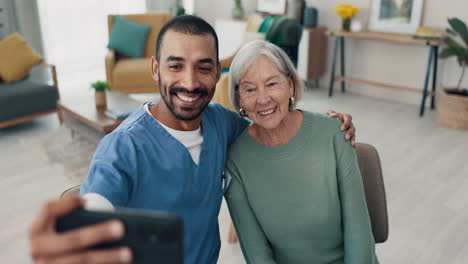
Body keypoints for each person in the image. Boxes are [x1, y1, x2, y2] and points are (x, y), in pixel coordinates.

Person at [28, 16, 356, 264]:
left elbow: (267, 124)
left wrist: (325, 127)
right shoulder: (122, 147)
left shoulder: (221, 122)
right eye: (176, 66)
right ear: (156, 69)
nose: (189, 82)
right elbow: (96, 206)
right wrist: (75, 241)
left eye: (203, 68)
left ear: (217, 74)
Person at [224, 40, 378, 264]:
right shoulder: (235, 161)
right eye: (249, 89)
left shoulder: (335, 133)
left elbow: (359, 235)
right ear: (239, 99)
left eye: (272, 84)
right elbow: (257, 255)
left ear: (291, 86)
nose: (263, 98)